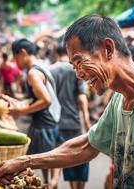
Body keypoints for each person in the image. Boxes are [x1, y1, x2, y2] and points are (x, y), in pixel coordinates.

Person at [0, 15, 134, 189]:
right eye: (74, 66)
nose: (78, 74)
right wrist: (24, 162)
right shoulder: (120, 100)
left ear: (108, 49)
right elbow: (87, 145)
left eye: (79, 61)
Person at [0, 38, 61, 185]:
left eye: (16, 58)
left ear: (23, 53)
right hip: (49, 121)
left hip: (44, 123)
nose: (16, 63)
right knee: (47, 160)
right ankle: (49, 183)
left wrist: (21, 111)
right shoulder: (42, 66)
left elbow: (45, 100)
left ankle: (50, 184)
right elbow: (37, 99)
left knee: (47, 160)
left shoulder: (33, 73)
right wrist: (17, 103)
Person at [49, 45, 91, 189]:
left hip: (55, 121)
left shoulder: (50, 71)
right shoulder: (75, 70)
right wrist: (86, 121)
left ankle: (53, 181)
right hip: (73, 122)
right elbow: (81, 98)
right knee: (76, 159)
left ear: (55, 53)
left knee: (58, 156)